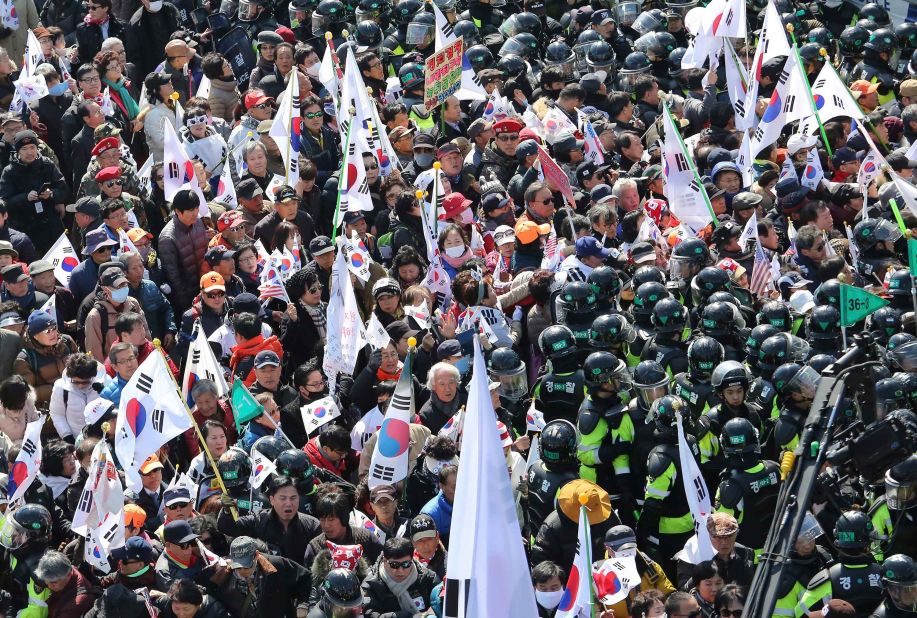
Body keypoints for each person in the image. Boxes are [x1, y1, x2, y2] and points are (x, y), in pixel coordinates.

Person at [360, 537, 439, 618]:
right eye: (394, 565)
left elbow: (443, 603)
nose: (400, 570)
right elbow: (371, 615)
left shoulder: (428, 578)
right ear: (384, 561)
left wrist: (431, 612)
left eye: (406, 564)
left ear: (412, 560)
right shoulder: (370, 585)